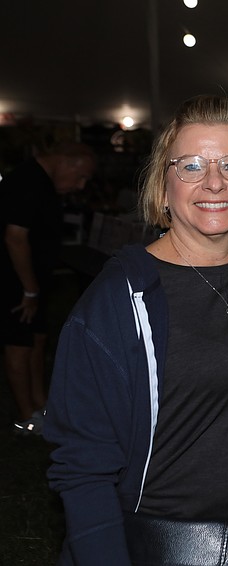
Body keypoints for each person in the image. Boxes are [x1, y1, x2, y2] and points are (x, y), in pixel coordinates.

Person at [43, 95, 228, 565]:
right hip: (165, 549)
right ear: (163, 186)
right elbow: (82, 469)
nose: (214, 182)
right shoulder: (119, 301)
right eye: (190, 165)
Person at [1, 141, 96, 435]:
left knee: (37, 339)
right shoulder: (27, 181)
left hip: (34, 280)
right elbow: (15, 237)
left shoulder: (43, 183)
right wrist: (29, 289)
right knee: (19, 343)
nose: (80, 185)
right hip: (14, 280)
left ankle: (40, 405)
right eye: (80, 177)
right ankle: (27, 417)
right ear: (67, 162)